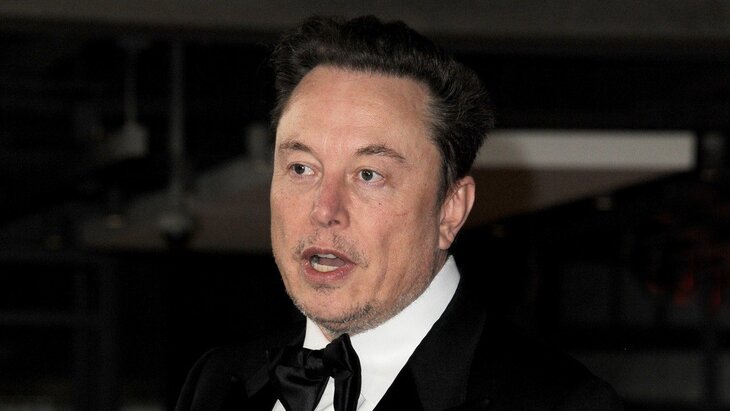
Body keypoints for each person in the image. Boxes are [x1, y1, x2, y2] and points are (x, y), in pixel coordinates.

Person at [175, 15, 623, 411]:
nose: (325, 210)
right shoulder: (217, 382)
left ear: (450, 211)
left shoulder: (560, 403)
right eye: (301, 168)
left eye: (368, 175)